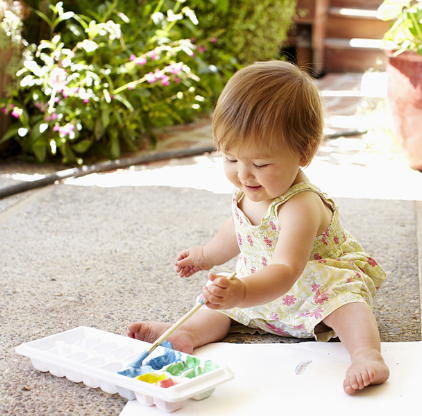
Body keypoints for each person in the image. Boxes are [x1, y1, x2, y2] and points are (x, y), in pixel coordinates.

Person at [127, 61, 389, 394]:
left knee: (349, 306)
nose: (244, 174)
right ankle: (185, 334)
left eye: (261, 164)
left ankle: (366, 354)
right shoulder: (251, 188)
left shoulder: (301, 205)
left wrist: (245, 292)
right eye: (230, 158)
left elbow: (285, 267)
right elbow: (238, 230)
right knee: (218, 307)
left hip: (312, 286)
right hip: (265, 288)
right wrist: (205, 255)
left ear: (304, 152)